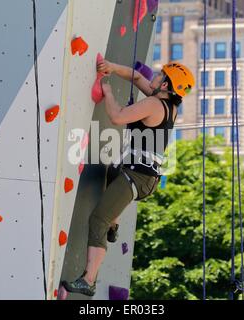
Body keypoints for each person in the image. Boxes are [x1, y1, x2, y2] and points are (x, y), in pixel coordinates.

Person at [61, 60, 195, 297]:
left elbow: (117, 116)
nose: (153, 76)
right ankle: (114, 225)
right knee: (111, 170)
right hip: (140, 174)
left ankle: (88, 280)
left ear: (165, 84)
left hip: (137, 176)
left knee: (98, 219)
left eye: (159, 75)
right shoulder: (168, 105)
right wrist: (111, 66)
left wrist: (109, 91)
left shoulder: (154, 104)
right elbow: (135, 77)